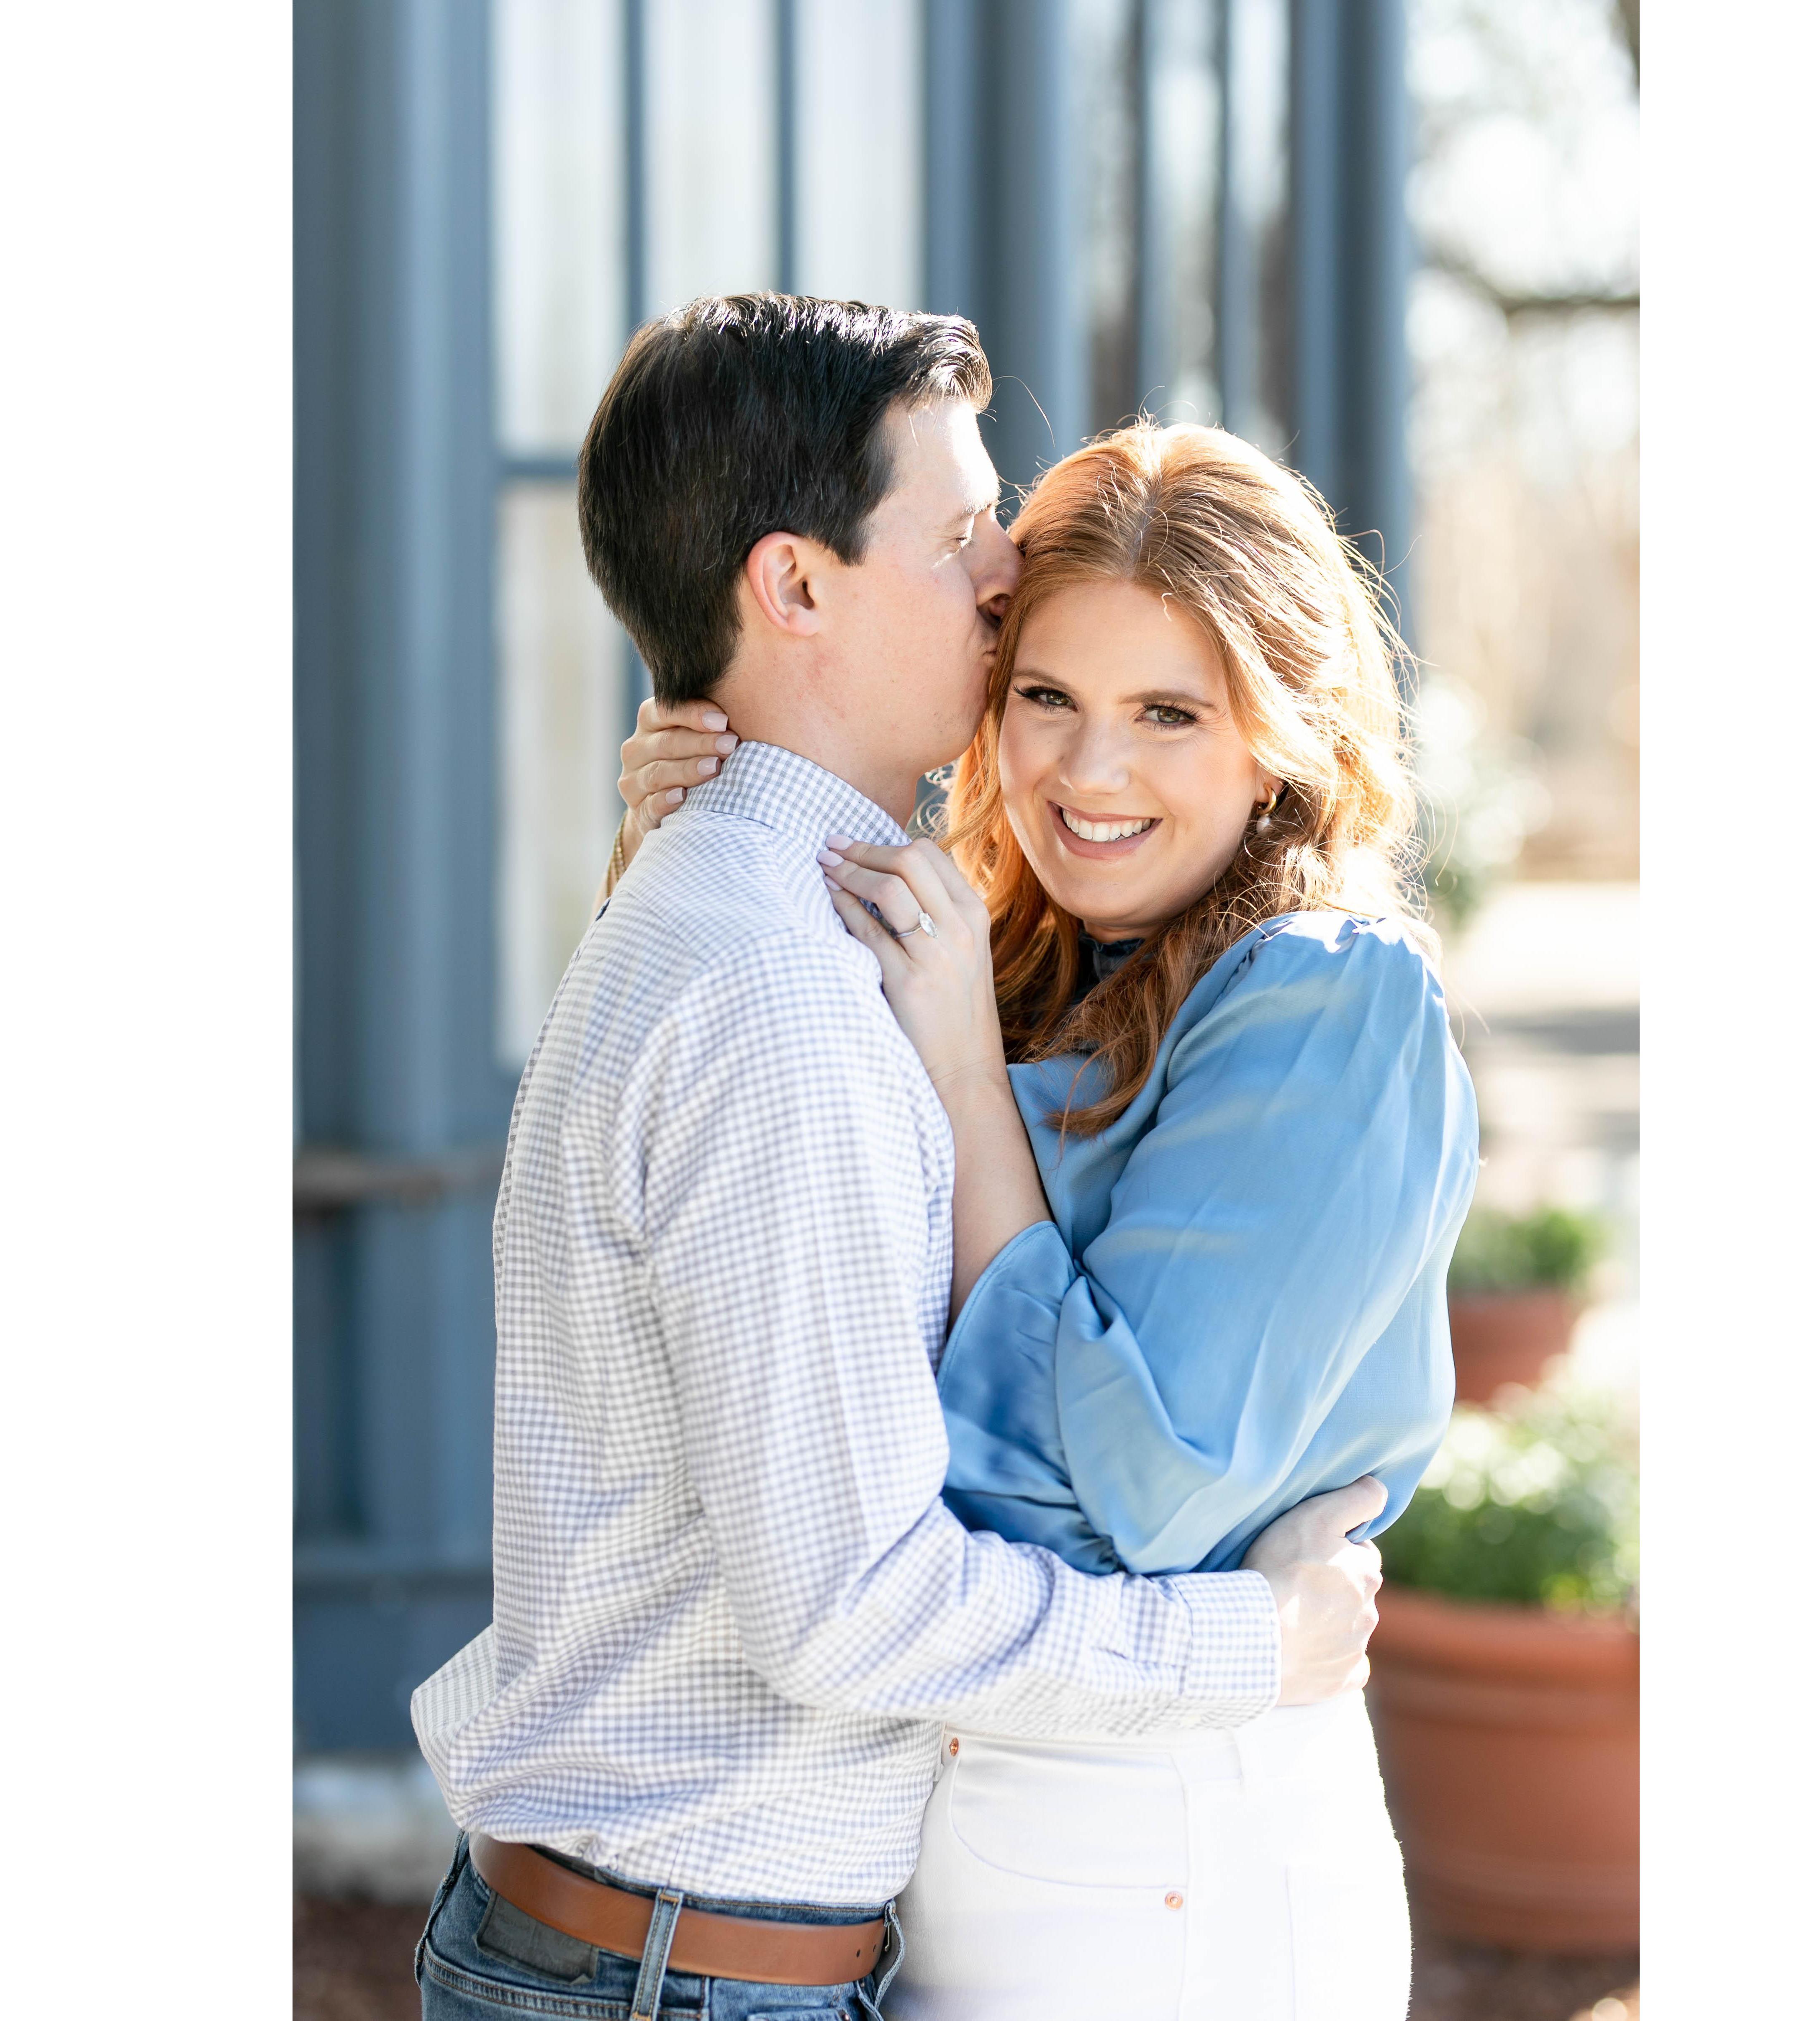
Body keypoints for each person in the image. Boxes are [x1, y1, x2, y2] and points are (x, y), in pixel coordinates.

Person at [410, 296, 1395, 2021]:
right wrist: (1256, 1641)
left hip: (677, 1950)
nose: (1005, 574)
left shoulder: (766, 914)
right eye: (958, 537)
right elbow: (853, 1608)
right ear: (794, 586)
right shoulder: (779, 990)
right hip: (682, 1970)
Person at [606, 418, 1480, 2017]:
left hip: (1176, 1854)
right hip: (953, 1834)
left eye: (1169, 713)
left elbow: (1128, 1506)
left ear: (1279, 733)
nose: (1088, 773)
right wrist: (693, 856)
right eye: (1048, 697)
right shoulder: (1000, 956)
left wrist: (960, 1081)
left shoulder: (1324, 1003)